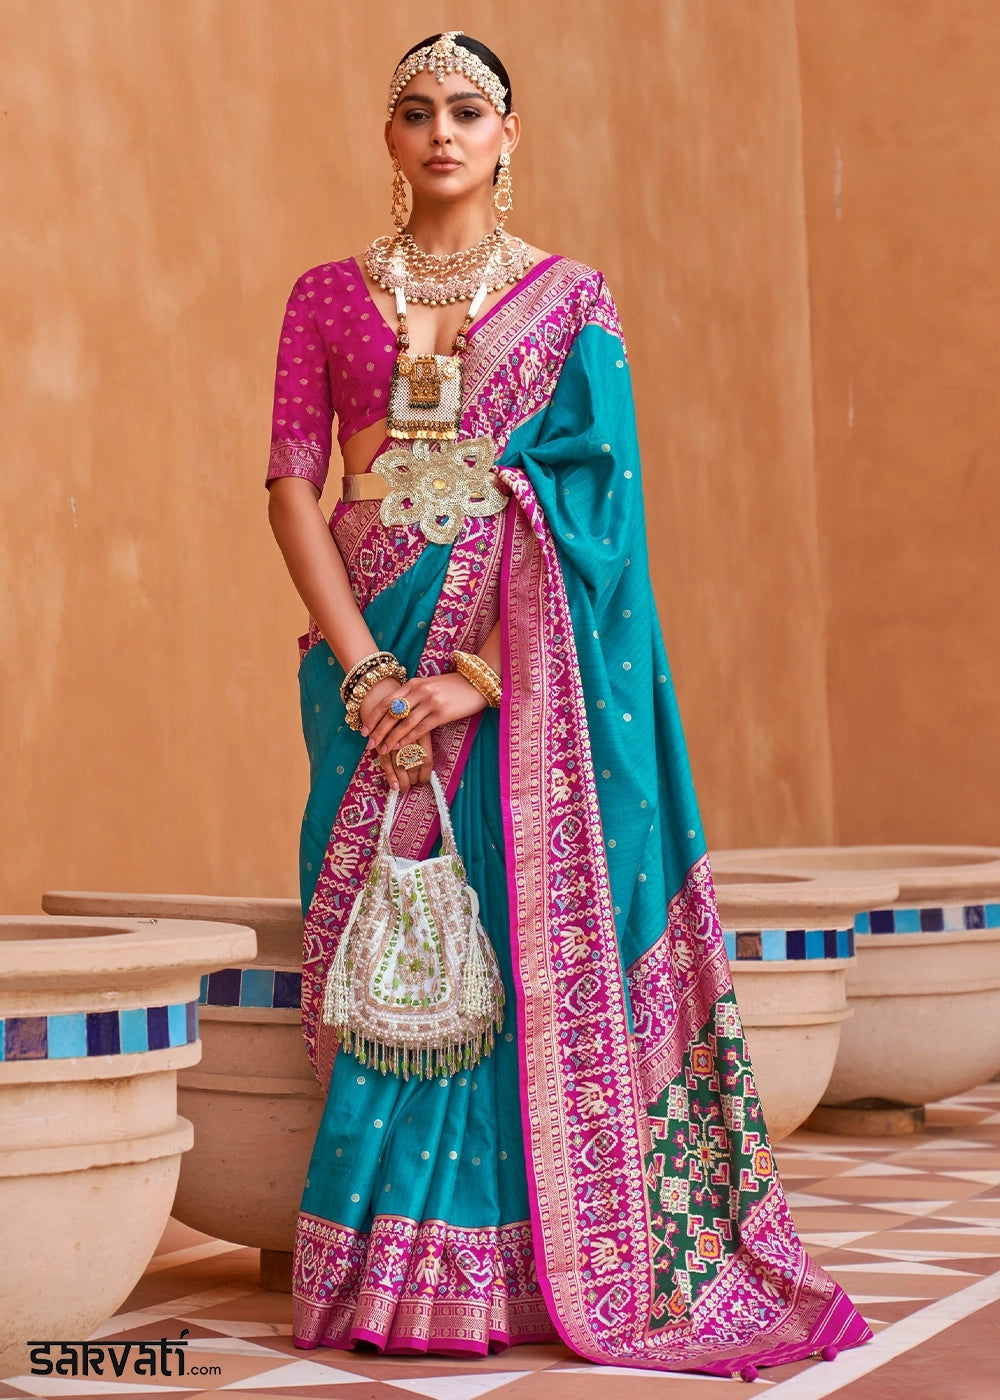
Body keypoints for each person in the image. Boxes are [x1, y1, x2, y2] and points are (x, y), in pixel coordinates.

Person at [266, 30, 871, 1378]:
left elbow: (595, 517)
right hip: (366, 671)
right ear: (389, 138)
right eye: (416, 111)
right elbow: (293, 485)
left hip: (503, 684)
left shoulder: (569, 303)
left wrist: (471, 678)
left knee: (506, 953)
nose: (441, 132)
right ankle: (383, 1266)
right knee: (392, 963)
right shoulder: (324, 296)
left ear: (509, 133)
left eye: (467, 110)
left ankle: (525, 1273)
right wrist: (368, 670)